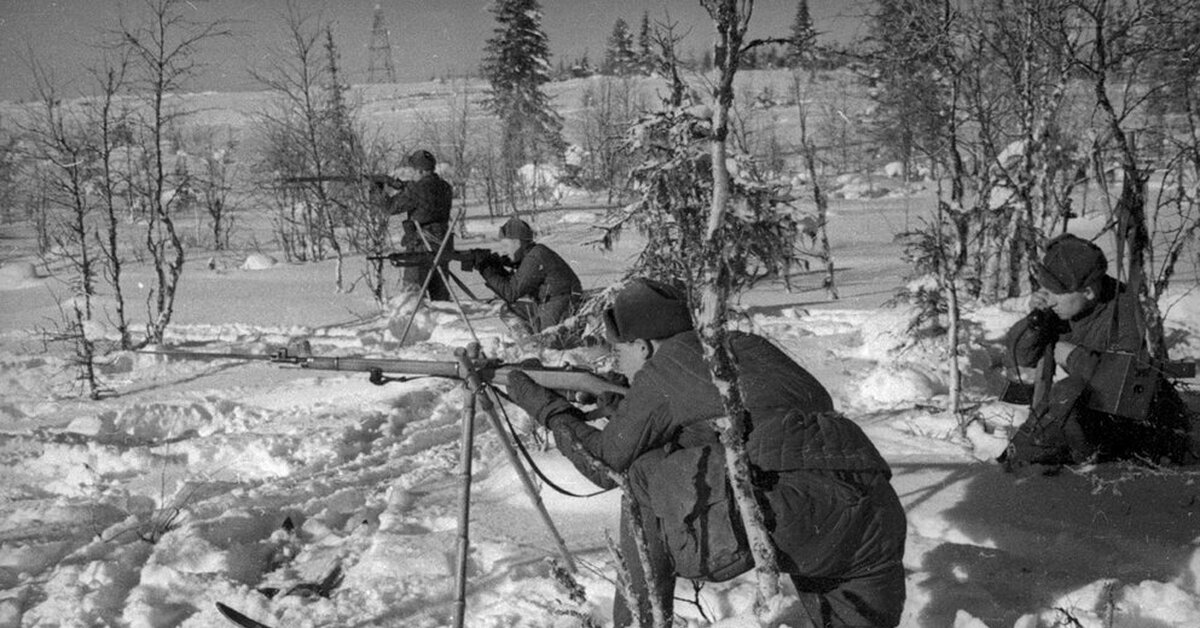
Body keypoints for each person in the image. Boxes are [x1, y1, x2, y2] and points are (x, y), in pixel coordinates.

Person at [505, 278, 907, 627]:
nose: (618, 362)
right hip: (874, 512)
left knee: (641, 473)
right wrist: (625, 408)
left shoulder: (666, 367)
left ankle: (637, 621)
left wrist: (545, 406)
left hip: (791, 513)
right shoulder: (740, 344)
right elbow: (755, 417)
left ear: (643, 347)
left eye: (620, 352)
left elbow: (603, 463)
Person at [1000, 233, 1193, 469]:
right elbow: (1020, 359)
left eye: (1055, 293)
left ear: (1088, 292)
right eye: (1045, 290)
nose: (1047, 300)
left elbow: (1129, 384)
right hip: (1094, 414)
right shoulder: (1061, 308)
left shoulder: (1124, 309)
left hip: (1142, 425)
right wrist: (1034, 325)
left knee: (1067, 394)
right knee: (1060, 408)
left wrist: (1073, 356)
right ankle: (1022, 462)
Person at [476, 217, 583, 333]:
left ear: (517, 243)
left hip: (559, 305)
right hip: (553, 303)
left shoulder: (535, 257)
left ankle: (531, 346)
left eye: (505, 246)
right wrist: (496, 268)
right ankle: (530, 339)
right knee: (509, 310)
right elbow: (516, 283)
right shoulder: (536, 252)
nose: (503, 251)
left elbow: (511, 292)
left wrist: (486, 270)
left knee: (548, 342)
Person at [387, 149, 454, 301]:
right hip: (441, 247)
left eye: (413, 171)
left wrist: (377, 188)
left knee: (412, 300)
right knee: (441, 301)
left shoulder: (416, 190)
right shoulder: (445, 187)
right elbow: (428, 196)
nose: (412, 175)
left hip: (420, 249)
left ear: (421, 171)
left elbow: (389, 207)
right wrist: (405, 186)